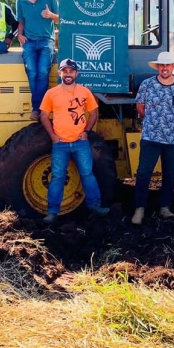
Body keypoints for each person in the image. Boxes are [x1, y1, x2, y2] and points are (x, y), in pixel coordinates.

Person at [39, 58, 109, 224]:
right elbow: (43, 115)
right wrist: (53, 136)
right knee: (57, 177)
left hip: (80, 142)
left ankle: (95, 206)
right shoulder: (51, 93)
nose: (68, 74)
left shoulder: (84, 92)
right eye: (65, 71)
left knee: (87, 174)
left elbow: (93, 112)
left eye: (71, 71)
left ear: (76, 73)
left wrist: (87, 132)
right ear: (60, 73)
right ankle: (52, 212)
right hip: (60, 143)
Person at [131, 52, 174, 225]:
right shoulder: (147, 85)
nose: (165, 68)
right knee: (144, 173)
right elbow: (140, 107)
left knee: (170, 174)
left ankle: (165, 207)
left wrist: (173, 122)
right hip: (151, 137)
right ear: (157, 67)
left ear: (173, 67)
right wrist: (154, 122)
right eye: (162, 65)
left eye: (168, 65)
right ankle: (140, 209)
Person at [15, 0, 59, 121]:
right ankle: (37, 109)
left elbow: (61, 19)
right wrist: (19, 35)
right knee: (32, 72)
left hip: (47, 41)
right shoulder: (20, 1)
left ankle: (40, 109)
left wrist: (51, 15)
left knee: (42, 72)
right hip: (29, 41)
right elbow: (20, 21)